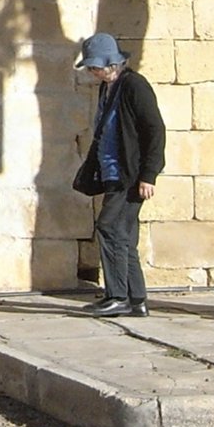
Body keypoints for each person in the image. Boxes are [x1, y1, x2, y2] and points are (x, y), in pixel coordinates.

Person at [70, 32, 164, 317]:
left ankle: (117, 296)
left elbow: (155, 130)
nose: (92, 72)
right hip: (113, 173)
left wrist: (149, 174)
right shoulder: (107, 88)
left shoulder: (135, 85)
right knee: (124, 236)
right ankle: (137, 300)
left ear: (112, 64)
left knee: (109, 228)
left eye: (95, 66)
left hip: (130, 175)